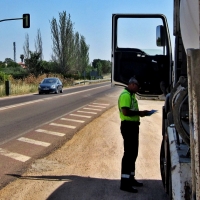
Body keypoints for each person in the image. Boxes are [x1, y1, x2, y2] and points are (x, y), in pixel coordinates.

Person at [118, 77, 149, 193]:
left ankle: (131, 178)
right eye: (137, 86)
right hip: (128, 127)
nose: (138, 88)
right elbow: (125, 111)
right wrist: (139, 113)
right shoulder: (125, 95)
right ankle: (125, 183)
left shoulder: (131, 95)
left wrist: (140, 114)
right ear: (131, 84)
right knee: (128, 154)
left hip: (133, 127)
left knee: (133, 153)